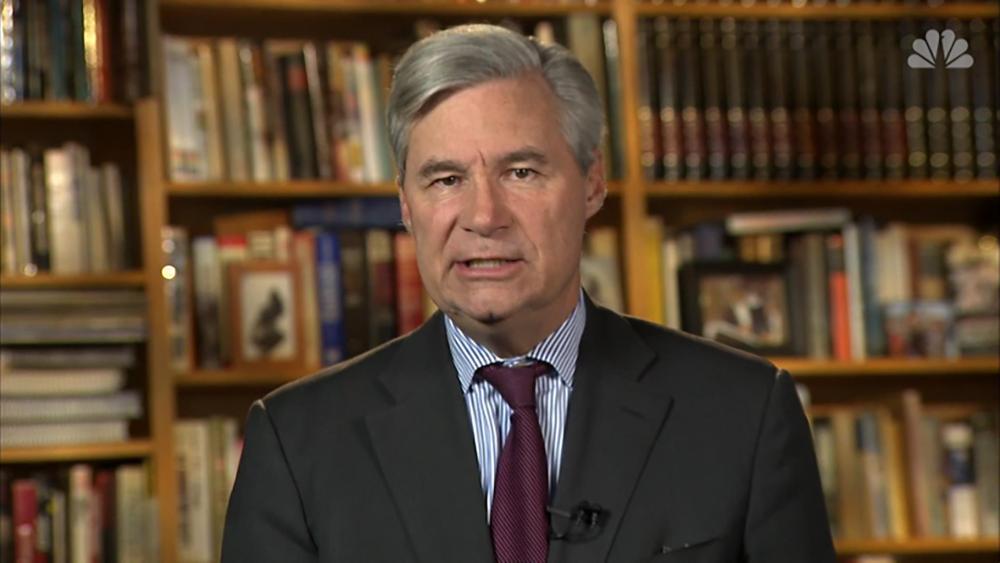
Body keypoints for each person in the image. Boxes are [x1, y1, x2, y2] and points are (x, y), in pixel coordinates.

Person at [221, 24, 835, 563]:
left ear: (592, 184)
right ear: (405, 204)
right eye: (446, 179)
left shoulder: (745, 415)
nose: (484, 216)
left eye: (521, 172)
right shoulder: (296, 442)